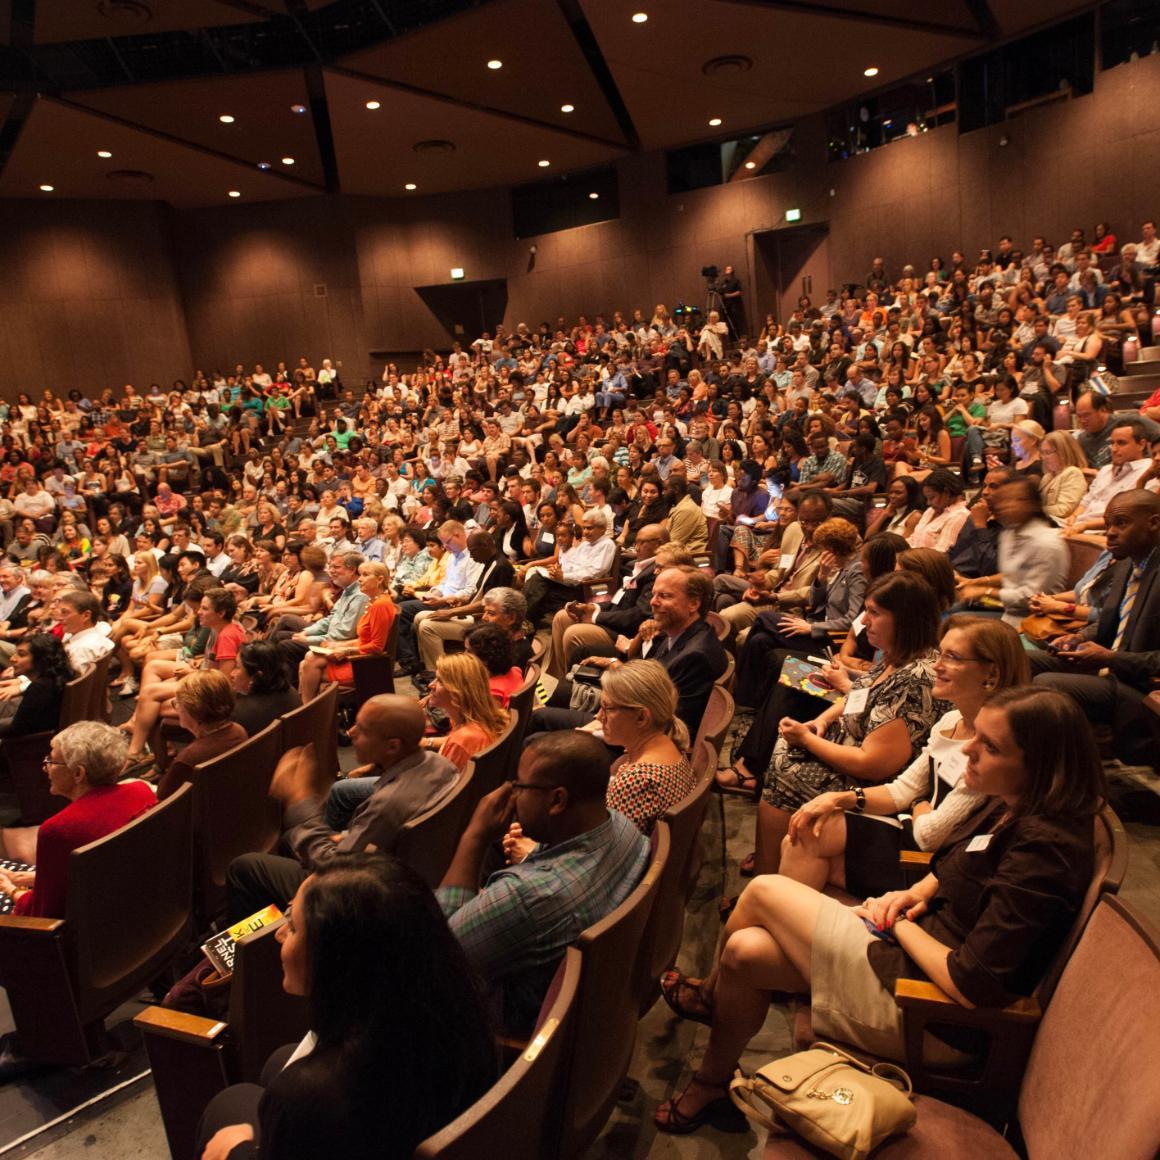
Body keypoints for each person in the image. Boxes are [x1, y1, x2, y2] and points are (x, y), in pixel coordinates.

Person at [654, 687, 1105, 1135]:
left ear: (1039, 764)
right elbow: (958, 867)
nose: (967, 748)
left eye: (989, 745)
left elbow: (973, 983)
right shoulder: (1014, 805)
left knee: (763, 892)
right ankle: (711, 1085)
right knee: (745, 952)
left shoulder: (1046, 850)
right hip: (906, 959)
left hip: (933, 1016)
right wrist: (914, 896)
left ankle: (711, 1001)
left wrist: (896, 923)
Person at [197, 854, 497, 1160]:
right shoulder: (456, 1012)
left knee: (228, 1105)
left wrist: (242, 1147)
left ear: (336, 960)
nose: (279, 933)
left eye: (294, 927)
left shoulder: (306, 1096)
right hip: (413, 1128)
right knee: (278, 1060)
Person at [780, 617, 1029, 897]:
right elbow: (904, 790)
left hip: (932, 866)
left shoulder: (992, 748)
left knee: (803, 844)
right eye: (940, 652)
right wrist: (840, 798)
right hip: (910, 833)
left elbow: (929, 837)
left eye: (952, 657)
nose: (936, 665)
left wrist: (919, 806)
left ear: (991, 673)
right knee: (806, 832)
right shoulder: (951, 720)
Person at [437, 731, 650, 1035]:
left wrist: (474, 836)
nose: (512, 795)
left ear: (557, 799)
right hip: (585, 999)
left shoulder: (526, 898)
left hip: (508, 1022)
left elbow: (440, 956)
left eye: (520, 785)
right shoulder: (623, 827)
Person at [753, 571, 947, 875]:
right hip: (848, 743)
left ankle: (769, 873)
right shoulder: (896, 656)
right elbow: (858, 694)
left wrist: (807, 740)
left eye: (874, 613)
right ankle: (769, 866)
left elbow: (873, 765)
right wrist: (822, 719)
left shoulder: (916, 679)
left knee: (786, 768)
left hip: (876, 786)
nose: (864, 621)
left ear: (906, 620)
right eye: (866, 611)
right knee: (785, 732)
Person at [227, 695, 457, 918]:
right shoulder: (440, 764)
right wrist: (350, 837)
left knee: (245, 867)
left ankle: (274, 946)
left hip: (366, 900)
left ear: (393, 746)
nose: (351, 732)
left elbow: (335, 869)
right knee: (289, 841)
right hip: (408, 872)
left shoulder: (389, 805)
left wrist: (299, 801)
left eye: (363, 730)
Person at [1030, 489, 1160, 765]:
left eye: (1121, 523)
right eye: (1107, 524)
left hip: (1142, 687)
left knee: (1047, 683)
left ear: (1154, 523)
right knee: (1021, 658)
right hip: (1110, 667)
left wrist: (1111, 658)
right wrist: (1077, 638)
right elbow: (1109, 622)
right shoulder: (1127, 564)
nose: (1110, 532)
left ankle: (1068, 776)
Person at [0, 722, 155, 914]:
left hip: (87, 929)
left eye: (52, 761)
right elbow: (100, 870)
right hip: (138, 906)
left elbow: (41, 912)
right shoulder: (141, 791)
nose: (45, 767)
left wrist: (10, 889)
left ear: (78, 773)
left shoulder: (60, 829)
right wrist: (28, 879)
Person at [732, 517, 865, 709]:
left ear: (834, 549)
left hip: (828, 640)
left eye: (824, 548)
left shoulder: (856, 571)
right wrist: (821, 578)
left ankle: (738, 689)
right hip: (816, 626)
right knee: (759, 640)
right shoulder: (838, 567)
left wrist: (812, 627)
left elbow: (852, 620)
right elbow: (816, 600)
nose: (822, 553)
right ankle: (747, 700)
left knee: (763, 618)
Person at [954, 478, 1069, 625]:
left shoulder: (1048, 542)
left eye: (1012, 500)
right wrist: (976, 583)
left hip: (1034, 620)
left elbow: (1034, 597)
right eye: (1002, 501)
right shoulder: (1008, 533)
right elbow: (1012, 575)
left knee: (957, 620)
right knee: (950, 609)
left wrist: (984, 592)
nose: (1004, 506)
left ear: (1032, 504)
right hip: (1008, 612)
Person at [298, 561, 396, 701]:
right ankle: (309, 710)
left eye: (365, 575)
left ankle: (307, 710)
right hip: (361, 656)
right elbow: (364, 639)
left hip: (366, 665)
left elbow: (377, 647)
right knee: (308, 659)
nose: (360, 579)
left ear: (380, 580)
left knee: (308, 663)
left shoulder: (380, 605)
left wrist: (346, 650)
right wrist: (337, 645)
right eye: (360, 574)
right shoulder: (374, 601)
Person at [156, 670, 248, 800]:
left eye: (177, 703)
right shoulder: (238, 731)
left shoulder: (189, 758)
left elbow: (163, 796)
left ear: (193, 709)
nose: (176, 708)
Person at [421, 652, 509, 772]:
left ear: (458, 692)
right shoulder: (483, 717)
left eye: (440, 681)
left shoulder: (461, 741)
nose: (431, 685)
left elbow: (443, 786)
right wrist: (427, 742)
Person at [0, 635, 74, 738]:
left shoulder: (41, 687)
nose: (12, 659)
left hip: (26, 744)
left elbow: (16, 729)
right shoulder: (55, 677)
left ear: (41, 659)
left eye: (21, 655)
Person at [230, 640, 301, 736]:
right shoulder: (291, 692)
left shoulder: (239, 714)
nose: (231, 674)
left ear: (257, 676)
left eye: (237, 667)